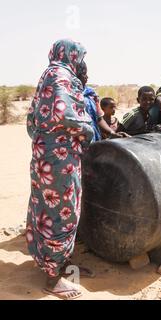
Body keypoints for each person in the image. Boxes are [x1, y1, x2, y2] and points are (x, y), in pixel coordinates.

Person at [26, 39, 95, 300]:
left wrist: (44, 143)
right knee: (61, 211)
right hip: (59, 159)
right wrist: (86, 131)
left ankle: (60, 263)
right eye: (80, 56)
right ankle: (53, 280)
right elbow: (65, 114)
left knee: (47, 207)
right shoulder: (61, 75)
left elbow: (32, 121)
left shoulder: (49, 74)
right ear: (72, 55)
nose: (81, 61)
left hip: (48, 156)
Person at [76, 61, 126, 140]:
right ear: (74, 75)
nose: (87, 77)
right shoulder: (64, 95)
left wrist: (112, 133)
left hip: (93, 141)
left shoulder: (91, 95)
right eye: (84, 73)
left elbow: (99, 119)